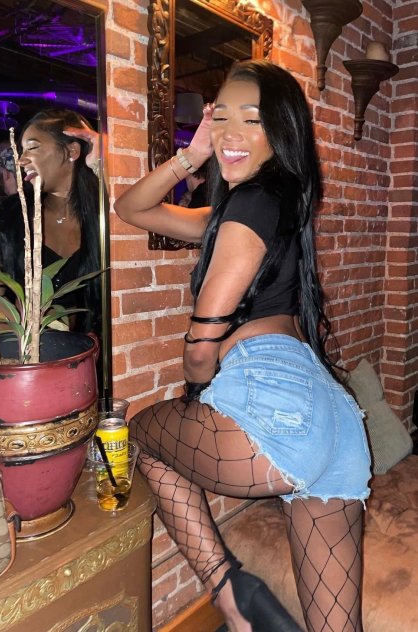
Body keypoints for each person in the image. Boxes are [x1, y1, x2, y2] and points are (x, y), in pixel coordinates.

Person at [115, 60, 371, 632]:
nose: (231, 132)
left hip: (276, 400)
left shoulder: (251, 201)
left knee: (141, 439)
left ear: (280, 132)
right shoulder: (264, 206)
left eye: (251, 120)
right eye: (221, 116)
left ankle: (230, 594)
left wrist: (198, 386)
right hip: (334, 420)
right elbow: (131, 208)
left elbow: (203, 341)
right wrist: (193, 154)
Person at [0, 108, 101, 337]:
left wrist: (103, 165)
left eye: (32, 147)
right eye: (22, 150)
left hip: (94, 354)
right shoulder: (9, 213)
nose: (21, 160)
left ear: (72, 151)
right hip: (24, 351)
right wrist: (26, 345)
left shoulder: (103, 215)